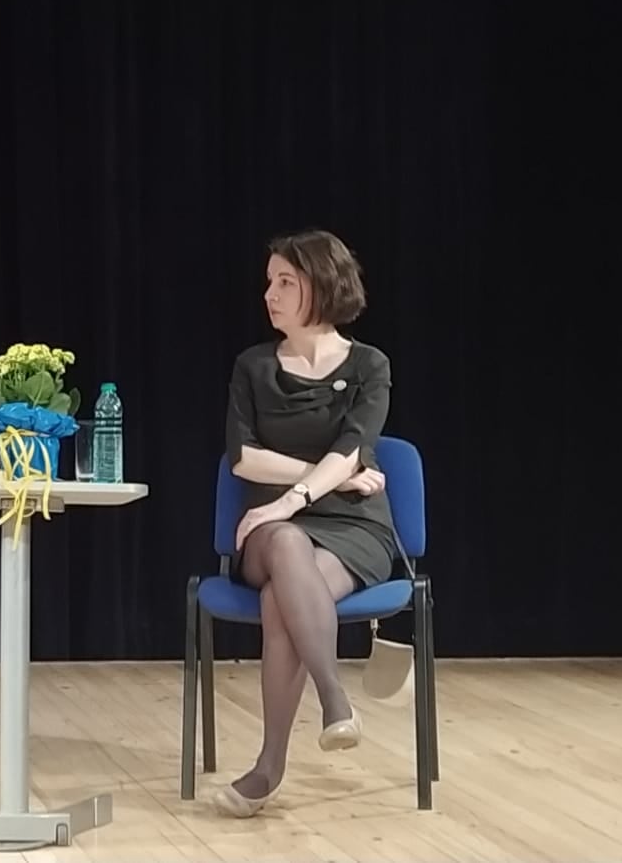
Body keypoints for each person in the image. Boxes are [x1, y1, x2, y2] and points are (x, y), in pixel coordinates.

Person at [215, 229, 399, 818]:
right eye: (269, 282)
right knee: (287, 544)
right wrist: (321, 484)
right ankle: (333, 695)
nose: (269, 294)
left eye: (285, 282)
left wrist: (296, 494)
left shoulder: (370, 365)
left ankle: (269, 767)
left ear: (321, 285)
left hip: (352, 531)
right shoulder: (253, 366)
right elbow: (245, 458)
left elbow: (354, 447)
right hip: (269, 532)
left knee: (281, 601)